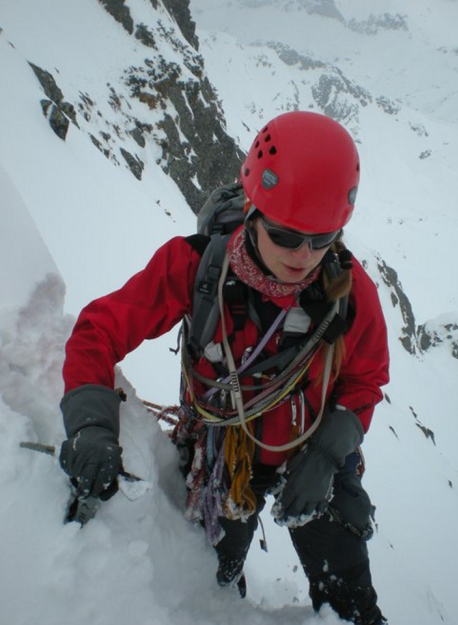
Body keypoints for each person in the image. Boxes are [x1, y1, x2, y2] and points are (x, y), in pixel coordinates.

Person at [59, 111, 390, 625]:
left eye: (322, 240)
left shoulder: (348, 291)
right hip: (223, 457)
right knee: (208, 582)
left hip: (312, 448)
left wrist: (327, 456)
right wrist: (91, 424)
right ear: (255, 209)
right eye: (286, 236)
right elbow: (98, 330)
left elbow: (365, 380)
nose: (304, 257)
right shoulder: (195, 268)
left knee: (350, 594)